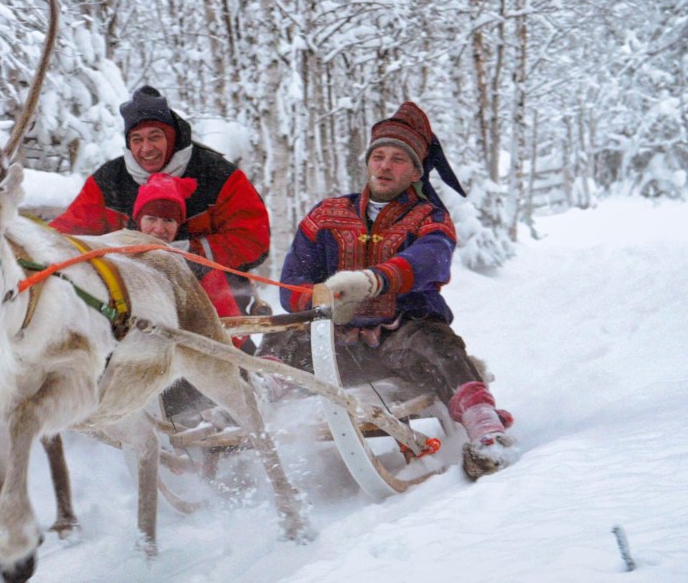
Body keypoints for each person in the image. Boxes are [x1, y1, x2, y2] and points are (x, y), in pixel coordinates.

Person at [265, 101, 518, 480]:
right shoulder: (325, 214)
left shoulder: (429, 217)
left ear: (416, 171)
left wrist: (373, 281)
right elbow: (292, 283)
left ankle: (486, 433)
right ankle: (254, 397)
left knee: (441, 347)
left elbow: (431, 259)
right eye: (378, 157)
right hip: (335, 347)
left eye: (398, 159)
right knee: (281, 336)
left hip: (403, 343)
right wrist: (324, 299)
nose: (385, 166)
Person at [50, 85, 270, 314]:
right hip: (130, 298)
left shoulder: (216, 175)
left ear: (171, 137)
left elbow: (253, 239)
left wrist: (192, 252)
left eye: (155, 137)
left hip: (214, 297)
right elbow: (67, 233)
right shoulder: (110, 181)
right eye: (137, 139)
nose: (146, 148)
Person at [132, 172, 245, 346]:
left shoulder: (199, 266)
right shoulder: (117, 257)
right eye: (151, 219)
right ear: (139, 221)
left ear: (178, 225)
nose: (159, 228)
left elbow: (232, 328)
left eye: (168, 220)